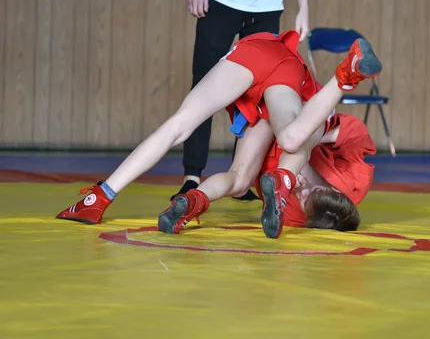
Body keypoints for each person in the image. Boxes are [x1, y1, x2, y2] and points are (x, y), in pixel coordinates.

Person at [56, 30, 382, 239]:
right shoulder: (353, 181)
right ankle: (345, 76)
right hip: (285, 74)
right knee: (296, 141)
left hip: (264, 111)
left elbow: (246, 178)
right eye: (310, 186)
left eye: (302, 195)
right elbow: (352, 133)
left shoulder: (296, 214)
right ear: (331, 186)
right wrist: (318, 139)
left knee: (227, 168)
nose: (303, 187)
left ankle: (102, 198)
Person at [180, 0, 320, 202]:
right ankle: (192, 176)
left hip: (266, 6)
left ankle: (240, 177)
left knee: (257, 98)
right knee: (203, 87)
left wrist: (304, 7)